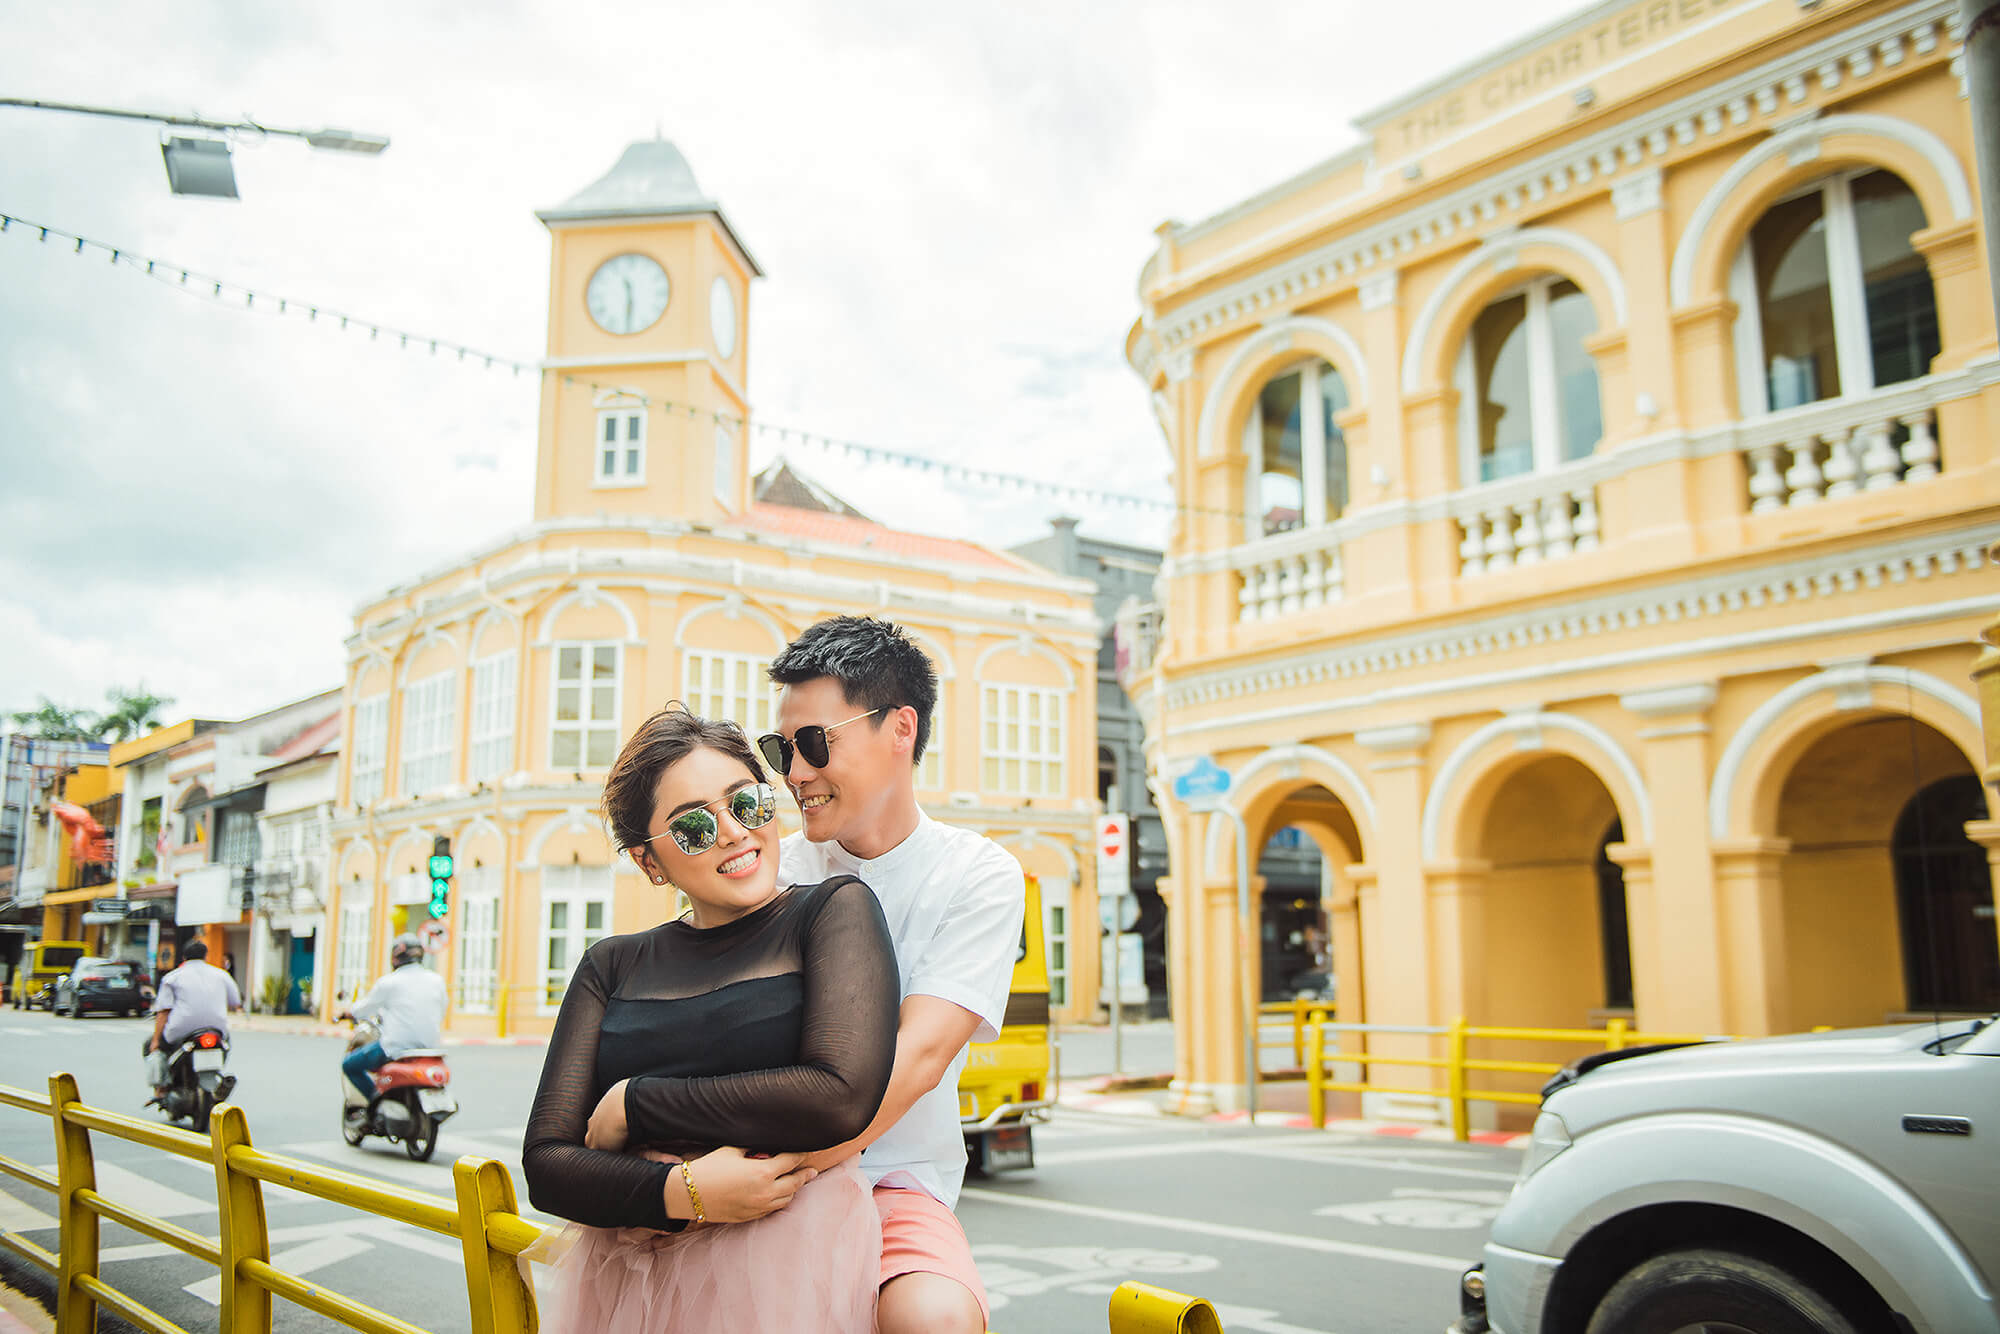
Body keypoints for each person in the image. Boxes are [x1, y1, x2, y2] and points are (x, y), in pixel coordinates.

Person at [523, 707, 900, 1334]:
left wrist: (634, 1105)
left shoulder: (833, 911)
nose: (732, 832)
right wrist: (685, 1192)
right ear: (650, 863)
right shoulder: (610, 966)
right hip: (625, 1281)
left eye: (746, 804)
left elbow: (840, 1094)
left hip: (786, 1269)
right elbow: (548, 1165)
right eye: (694, 827)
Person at [761, 615, 1026, 1334]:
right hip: (740, 1162)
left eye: (814, 744)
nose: (794, 774)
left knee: (936, 1317)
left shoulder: (977, 876)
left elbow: (917, 1060)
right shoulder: (769, 870)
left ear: (900, 728)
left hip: (889, 1184)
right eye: (780, 750)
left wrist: (770, 1174)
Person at [340, 934, 448, 1113]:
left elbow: (364, 1008)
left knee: (349, 1065)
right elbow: (442, 1010)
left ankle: (376, 1104)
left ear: (396, 957)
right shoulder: (437, 981)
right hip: (430, 1047)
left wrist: (347, 1013)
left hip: (396, 1048)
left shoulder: (389, 982)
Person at [144, 938, 242, 1097]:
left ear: (183, 957)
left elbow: (163, 1011)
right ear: (205, 956)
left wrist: (156, 1040)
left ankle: (161, 1088)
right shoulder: (221, 975)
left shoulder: (172, 977)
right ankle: (217, 1070)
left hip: (181, 1029)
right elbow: (235, 1002)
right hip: (216, 1029)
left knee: (152, 1045)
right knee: (226, 1043)